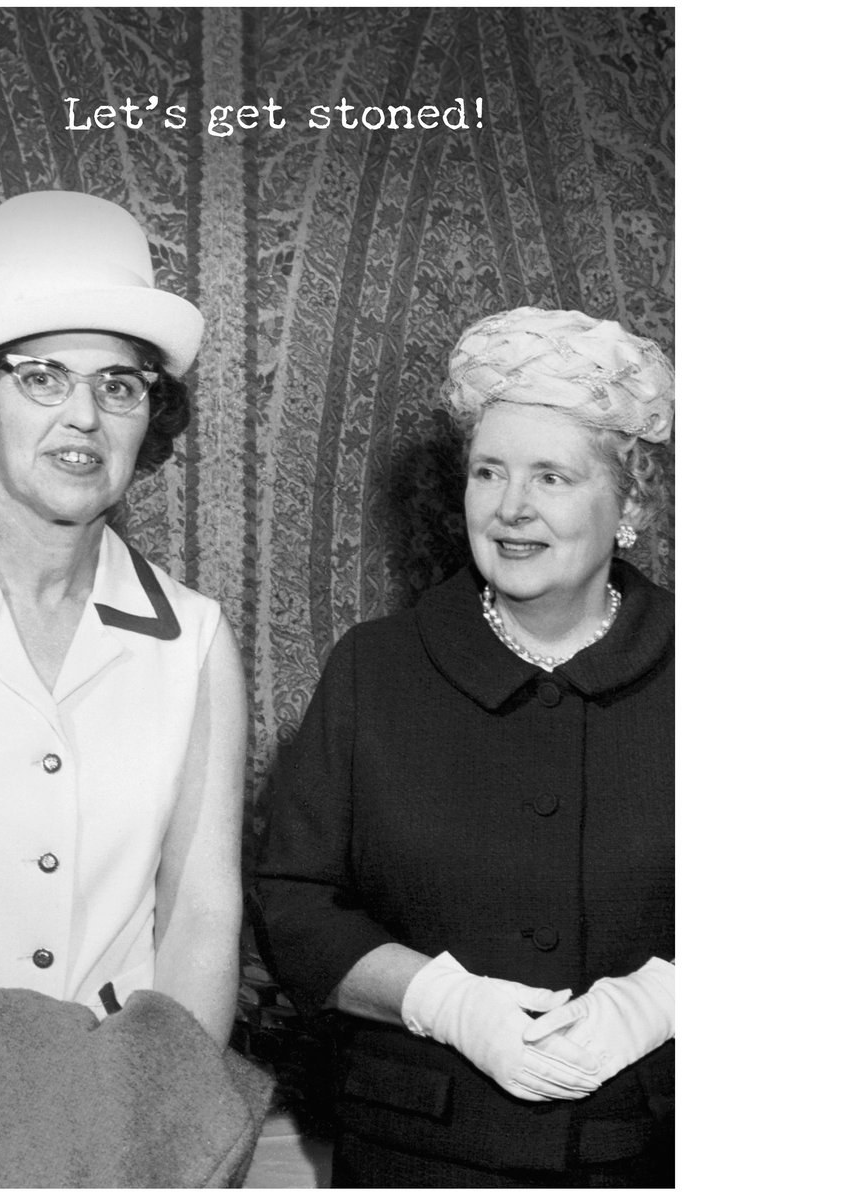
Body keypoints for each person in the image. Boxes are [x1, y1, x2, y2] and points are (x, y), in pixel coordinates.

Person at [0, 191, 266, 1184]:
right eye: (42, 377)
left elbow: (201, 914)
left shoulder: (193, 637)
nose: (82, 416)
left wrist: (155, 1125)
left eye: (119, 386)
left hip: (128, 1136)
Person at [254, 306, 674, 1187]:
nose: (512, 508)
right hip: (413, 1152)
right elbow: (294, 902)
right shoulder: (376, 667)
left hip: (654, 1150)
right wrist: (441, 1002)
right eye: (490, 472)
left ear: (629, 502)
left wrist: (662, 1002)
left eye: (552, 477)